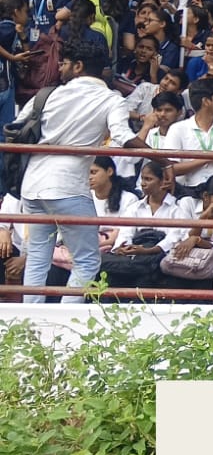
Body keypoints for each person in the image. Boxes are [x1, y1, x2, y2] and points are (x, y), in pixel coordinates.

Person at [19, 38, 133, 303]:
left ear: (78, 66)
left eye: (65, 63)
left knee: (37, 257)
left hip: (33, 184)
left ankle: (30, 317)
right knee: (88, 260)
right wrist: (163, 160)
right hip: (68, 186)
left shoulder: (48, 94)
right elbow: (123, 136)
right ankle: (66, 316)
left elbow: (17, 125)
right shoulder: (110, 99)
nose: (60, 68)